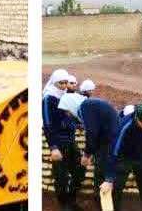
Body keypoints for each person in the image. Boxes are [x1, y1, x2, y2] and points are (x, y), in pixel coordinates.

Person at [57, 92, 121, 206]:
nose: (67, 114)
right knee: (101, 169)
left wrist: (86, 155)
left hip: (109, 141)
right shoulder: (87, 106)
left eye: (66, 110)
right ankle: (100, 199)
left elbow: (91, 133)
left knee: (103, 171)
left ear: (70, 105)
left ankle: (105, 203)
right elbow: (95, 131)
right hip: (107, 138)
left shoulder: (85, 107)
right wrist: (91, 152)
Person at [44, 69, 85, 211]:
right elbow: (48, 123)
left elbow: (71, 115)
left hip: (70, 140)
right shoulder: (49, 98)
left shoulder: (65, 96)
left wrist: (80, 124)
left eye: (66, 82)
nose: (63, 85)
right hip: (58, 142)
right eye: (61, 83)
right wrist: (53, 147)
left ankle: (71, 199)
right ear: (54, 83)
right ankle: (65, 204)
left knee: (79, 169)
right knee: (61, 176)